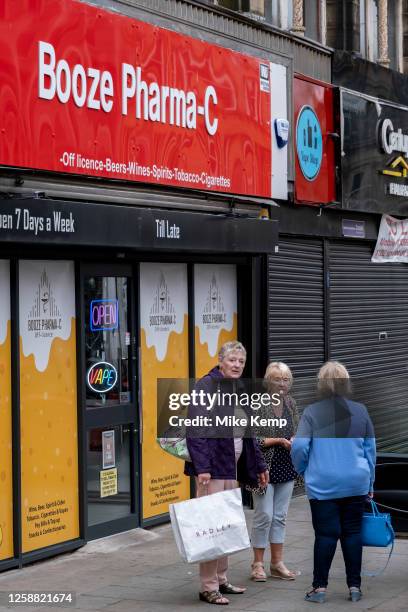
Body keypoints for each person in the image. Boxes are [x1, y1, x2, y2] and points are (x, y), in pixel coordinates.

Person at [185, 341, 269, 606]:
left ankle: (221, 579)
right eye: (232, 360)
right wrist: (203, 468)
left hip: (232, 467)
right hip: (213, 470)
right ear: (220, 360)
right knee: (211, 527)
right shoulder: (206, 386)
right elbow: (195, 429)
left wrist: (259, 466)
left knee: (227, 525)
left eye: (241, 362)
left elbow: (249, 431)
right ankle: (208, 587)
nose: (237, 365)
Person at [291, 361, 376, 604]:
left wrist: (303, 469)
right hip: (355, 482)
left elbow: (298, 447)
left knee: (326, 535)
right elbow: (370, 451)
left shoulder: (312, 412)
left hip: (323, 484)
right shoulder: (360, 411)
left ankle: (319, 589)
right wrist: (370, 482)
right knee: (353, 533)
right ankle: (354, 587)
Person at [248, 361, 300, 582]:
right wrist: (278, 440)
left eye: (286, 379)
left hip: (286, 466)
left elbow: (298, 429)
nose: (282, 383)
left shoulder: (290, 403)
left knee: (280, 516)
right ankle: (257, 564)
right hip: (263, 467)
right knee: (264, 515)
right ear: (268, 381)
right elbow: (251, 439)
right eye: (277, 379)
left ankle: (277, 564)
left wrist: (296, 439)